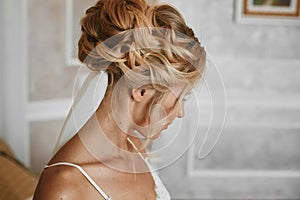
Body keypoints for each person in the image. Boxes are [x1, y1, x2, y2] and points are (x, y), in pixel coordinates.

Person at [33, 0, 206, 199]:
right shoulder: (63, 187)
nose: (181, 113)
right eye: (180, 98)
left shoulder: (134, 147)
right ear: (141, 91)